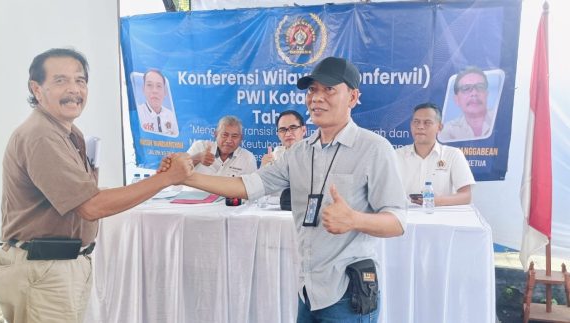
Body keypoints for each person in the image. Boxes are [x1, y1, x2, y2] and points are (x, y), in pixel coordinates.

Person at [162, 57, 407, 322]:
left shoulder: (374, 149)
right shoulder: (299, 152)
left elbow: (397, 221)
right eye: (312, 90)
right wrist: (185, 178)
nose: (317, 98)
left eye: (329, 90)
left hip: (348, 293)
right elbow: (246, 186)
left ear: (353, 97)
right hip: (308, 291)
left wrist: (354, 219)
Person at [0, 48, 193, 323]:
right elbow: (91, 206)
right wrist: (167, 179)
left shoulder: (67, 132)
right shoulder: (41, 136)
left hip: (58, 268)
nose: (74, 89)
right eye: (61, 80)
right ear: (36, 89)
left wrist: (156, 182)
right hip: (44, 270)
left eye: (80, 80)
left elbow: (88, 195)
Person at [396, 103, 476, 206]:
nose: (420, 127)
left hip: (441, 216)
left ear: (439, 127)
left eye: (427, 123)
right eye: (416, 122)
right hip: (404, 217)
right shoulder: (396, 156)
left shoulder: (453, 155)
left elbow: (466, 196)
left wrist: (433, 201)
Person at [439, 66, 496, 142]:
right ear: (457, 100)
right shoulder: (448, 130)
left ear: (487, 94)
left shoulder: (500, 119)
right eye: (466, 88)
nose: (474, 93)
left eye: (480, 87)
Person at [187, 115, 257, 176]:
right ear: (216, 134)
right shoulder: (200, 146)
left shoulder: (248, 158)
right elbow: (178, 171)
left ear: (241, 138)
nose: (229, 140)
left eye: (234, 136)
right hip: (194, 191)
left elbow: (252, 188)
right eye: (224, 135)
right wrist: (198, 157)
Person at [136, 68, 178, 137]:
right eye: (149, 85)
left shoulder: (171, 116)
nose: (155, 91)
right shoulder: (138, 113)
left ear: (165, 92)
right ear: (143, 89)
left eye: (159, 86)